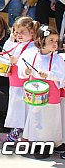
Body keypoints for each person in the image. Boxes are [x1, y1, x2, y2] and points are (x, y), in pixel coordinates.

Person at [19, 25, 64, 159]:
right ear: (40, 40)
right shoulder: (32, 55)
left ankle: (49, 143)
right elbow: (22, 68)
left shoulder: (57, 59)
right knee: (35, 119)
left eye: (56, 41)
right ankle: (36, 141)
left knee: (50, 120)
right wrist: (25, 71)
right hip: (35, 95)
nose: (54, 44)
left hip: (51, 96)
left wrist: (49, 75)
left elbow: (61, 76)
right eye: (51, 40)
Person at [0, 17, 38, 143]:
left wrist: (17, 62)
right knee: (16, 110)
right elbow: (6, 52)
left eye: (23, 32)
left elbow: (30, 63)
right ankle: (16, 133)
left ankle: (23, 136)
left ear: (32, 32)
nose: (19, 35)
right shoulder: (18, 44)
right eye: (16, 31)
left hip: (25, 85)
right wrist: (11, 38)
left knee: (24, 111)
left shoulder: (33, 47)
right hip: (15, 83)